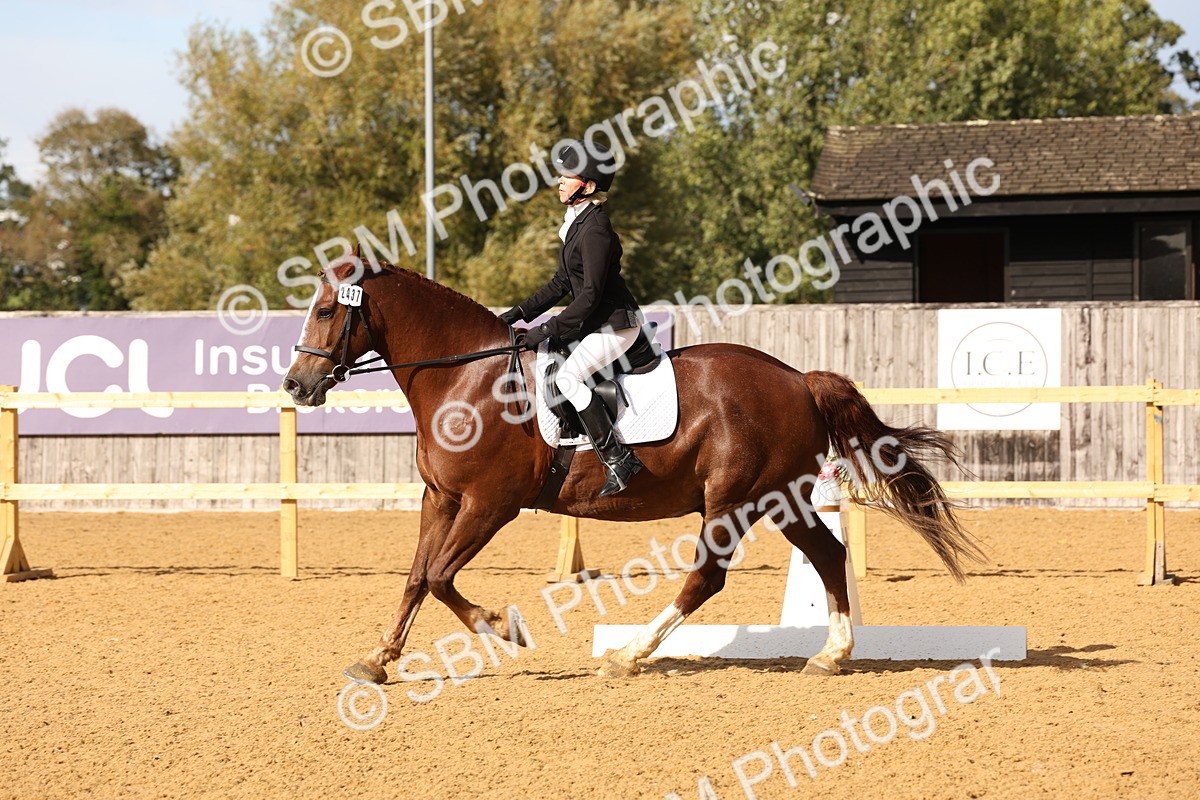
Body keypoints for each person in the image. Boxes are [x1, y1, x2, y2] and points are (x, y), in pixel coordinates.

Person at [499, 139, 644, 498]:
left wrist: (544, 330)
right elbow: (562, 282)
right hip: (595, 321)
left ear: (588, 186)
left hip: (615, 324)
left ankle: (617, 457)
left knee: (568, 378)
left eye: (567, 176)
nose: (559, 181)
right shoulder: (577, 223)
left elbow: (590, 296)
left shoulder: (595, 230)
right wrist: (517, 313)